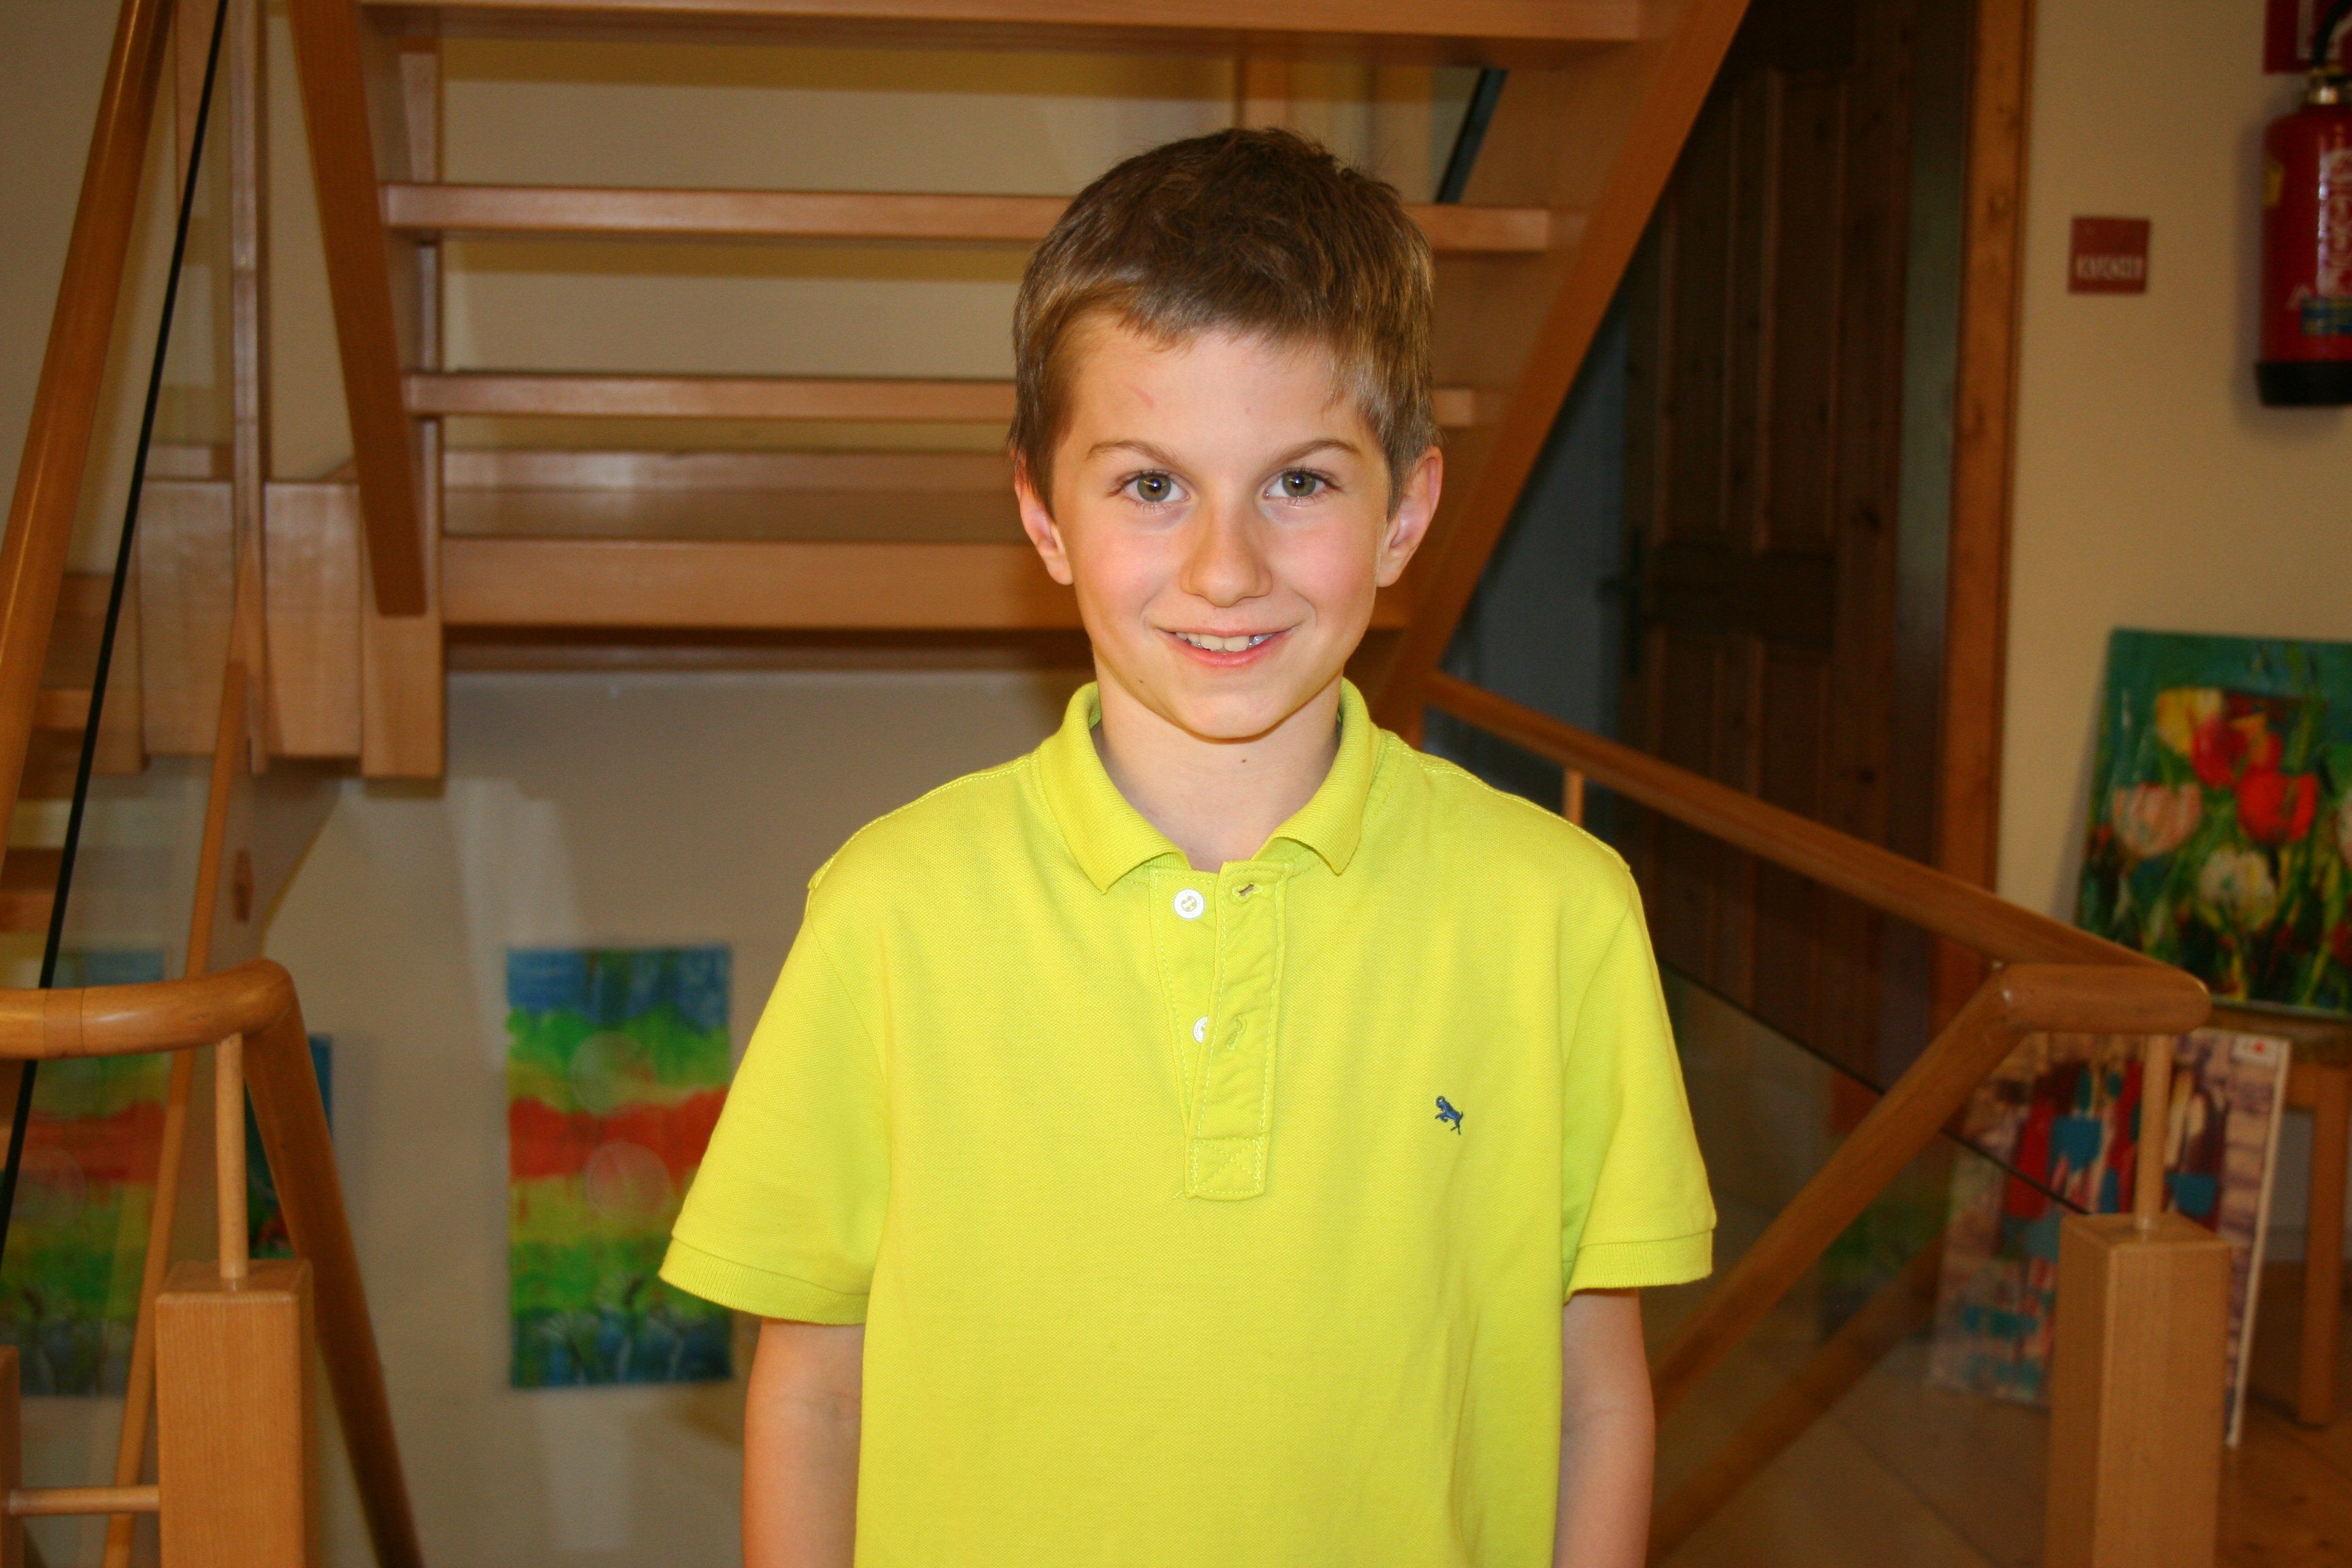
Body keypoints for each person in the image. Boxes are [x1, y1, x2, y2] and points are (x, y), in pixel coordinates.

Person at [660, 127, 1715, 1568]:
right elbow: (813, 1396)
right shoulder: (887, 911)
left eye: (1301, 483)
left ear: (1407, 511)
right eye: (1152, 485)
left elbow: (1591, 1400)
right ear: (1044, 515)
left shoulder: (1562, 913)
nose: (1227, 569)